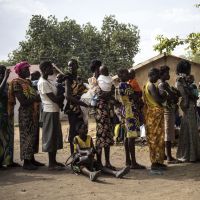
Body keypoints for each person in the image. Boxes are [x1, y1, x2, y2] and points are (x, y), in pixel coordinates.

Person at [9, 61, 42, 170]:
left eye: (28, 69)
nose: (28, 71)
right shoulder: (16, 83)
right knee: (26, 137)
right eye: (25, 69)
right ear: (20, 71)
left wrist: (36, 98)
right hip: (25, 114)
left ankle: (32, 159)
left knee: (33, 136)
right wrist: (36, 98)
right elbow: (23, 101)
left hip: (33, 113)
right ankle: (26, 163)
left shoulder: (28, 82)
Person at [38, 61, 65, 170]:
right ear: (44, 69)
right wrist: (63, 95)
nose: (52, 70)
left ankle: (54, 161)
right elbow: (54, 99)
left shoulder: (48, 80)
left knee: (55, 136)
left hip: (54, 111)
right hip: (49, 111)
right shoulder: (42, 82)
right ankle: (51, 164)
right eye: (50, 68)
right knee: (50, 137)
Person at [118, 68, 145, 169]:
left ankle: (128, 161)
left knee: (127, 136)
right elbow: (134, 96)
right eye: (125, 73)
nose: (128, 75)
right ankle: (133, 163)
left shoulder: (123, 85)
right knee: (131, 136)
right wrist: (138, 97)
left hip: (127, 110)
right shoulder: (124, 85)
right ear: (120, 75)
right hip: (130, 111)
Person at [90, 59, 115, 169]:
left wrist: (110, 94)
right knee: (101, 136)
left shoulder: (107, 80)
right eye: (98, 69)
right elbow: (100, 94)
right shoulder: (94, 80)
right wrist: (109, 93)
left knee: (108, 135)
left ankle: (108, 162)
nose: (99, 71)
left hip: (108, 110)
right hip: (100, 112)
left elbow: (111, 92)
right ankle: (100, 162)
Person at [175, 60, 200, 162]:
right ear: (185, 69)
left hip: (190, 106)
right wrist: (192, 94)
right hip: (187, 106)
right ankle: (190, 156)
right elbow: (186, 93)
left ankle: (192, 155)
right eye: (189, 68)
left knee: (190, 130)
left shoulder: (184, 80)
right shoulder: (180, 80)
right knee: (190, 130)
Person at [143, 68, 167, 171]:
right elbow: (158, 99)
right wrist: (165, 96)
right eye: (157, 75)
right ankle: (156, 163)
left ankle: (157, 162)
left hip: (151, 114)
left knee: (154, 138)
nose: (158, 78)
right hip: (155, 114)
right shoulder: (151, 86)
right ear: (152, 75)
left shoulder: (146, 85)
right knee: (157, 139)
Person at [64, 59, 88, 155]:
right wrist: (82, 103)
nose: (70, 67)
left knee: (81, 130)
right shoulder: (68, 78)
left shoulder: (78, 79)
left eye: (73, 65)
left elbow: (84, 91)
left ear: (77, 66)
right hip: (73, 108)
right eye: (69, 65)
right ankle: (73, 155)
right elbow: (68, 96)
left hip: (81, 109)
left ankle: (80, 153)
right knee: (73, 131)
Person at [158, 65, 180, 164]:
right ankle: (169, 157)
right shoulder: (162, 85)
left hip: (169, 110)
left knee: (169, 133)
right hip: (166, 111)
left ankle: (167, 155)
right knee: (168, 134)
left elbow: (175, 96)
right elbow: (171, 97)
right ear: (162, 75)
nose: (168, 75)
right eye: (167, 73)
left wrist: (174, 95)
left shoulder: (166, 84)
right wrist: (174, 95)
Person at [0, 65, 20, 169]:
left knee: (9, 139)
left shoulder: (7, 85)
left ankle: (9, 161)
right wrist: (5, 77)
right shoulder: (3, 84)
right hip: (0, 116)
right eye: (1, 73)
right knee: (1, 140)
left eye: (3, 72)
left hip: (8, 115)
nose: (2, 75)